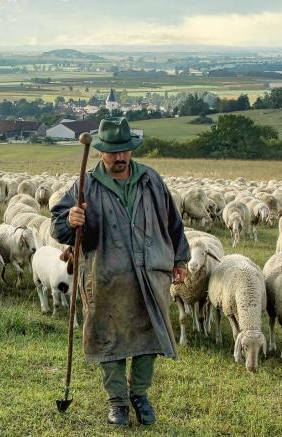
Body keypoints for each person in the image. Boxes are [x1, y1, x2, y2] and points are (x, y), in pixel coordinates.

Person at [51, 117, 189, 427]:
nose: (120, 157)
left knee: (149, 335)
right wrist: (70, 220)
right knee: (108, 339)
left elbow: (173, 222)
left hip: (150, 273)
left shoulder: (150, 180)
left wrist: (179, 260)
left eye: (124, 151)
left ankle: (139, 394)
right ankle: (117, 403)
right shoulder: (85, 186)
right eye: (113, 152)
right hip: (106, 277)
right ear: (101, 152)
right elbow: (59, 227)